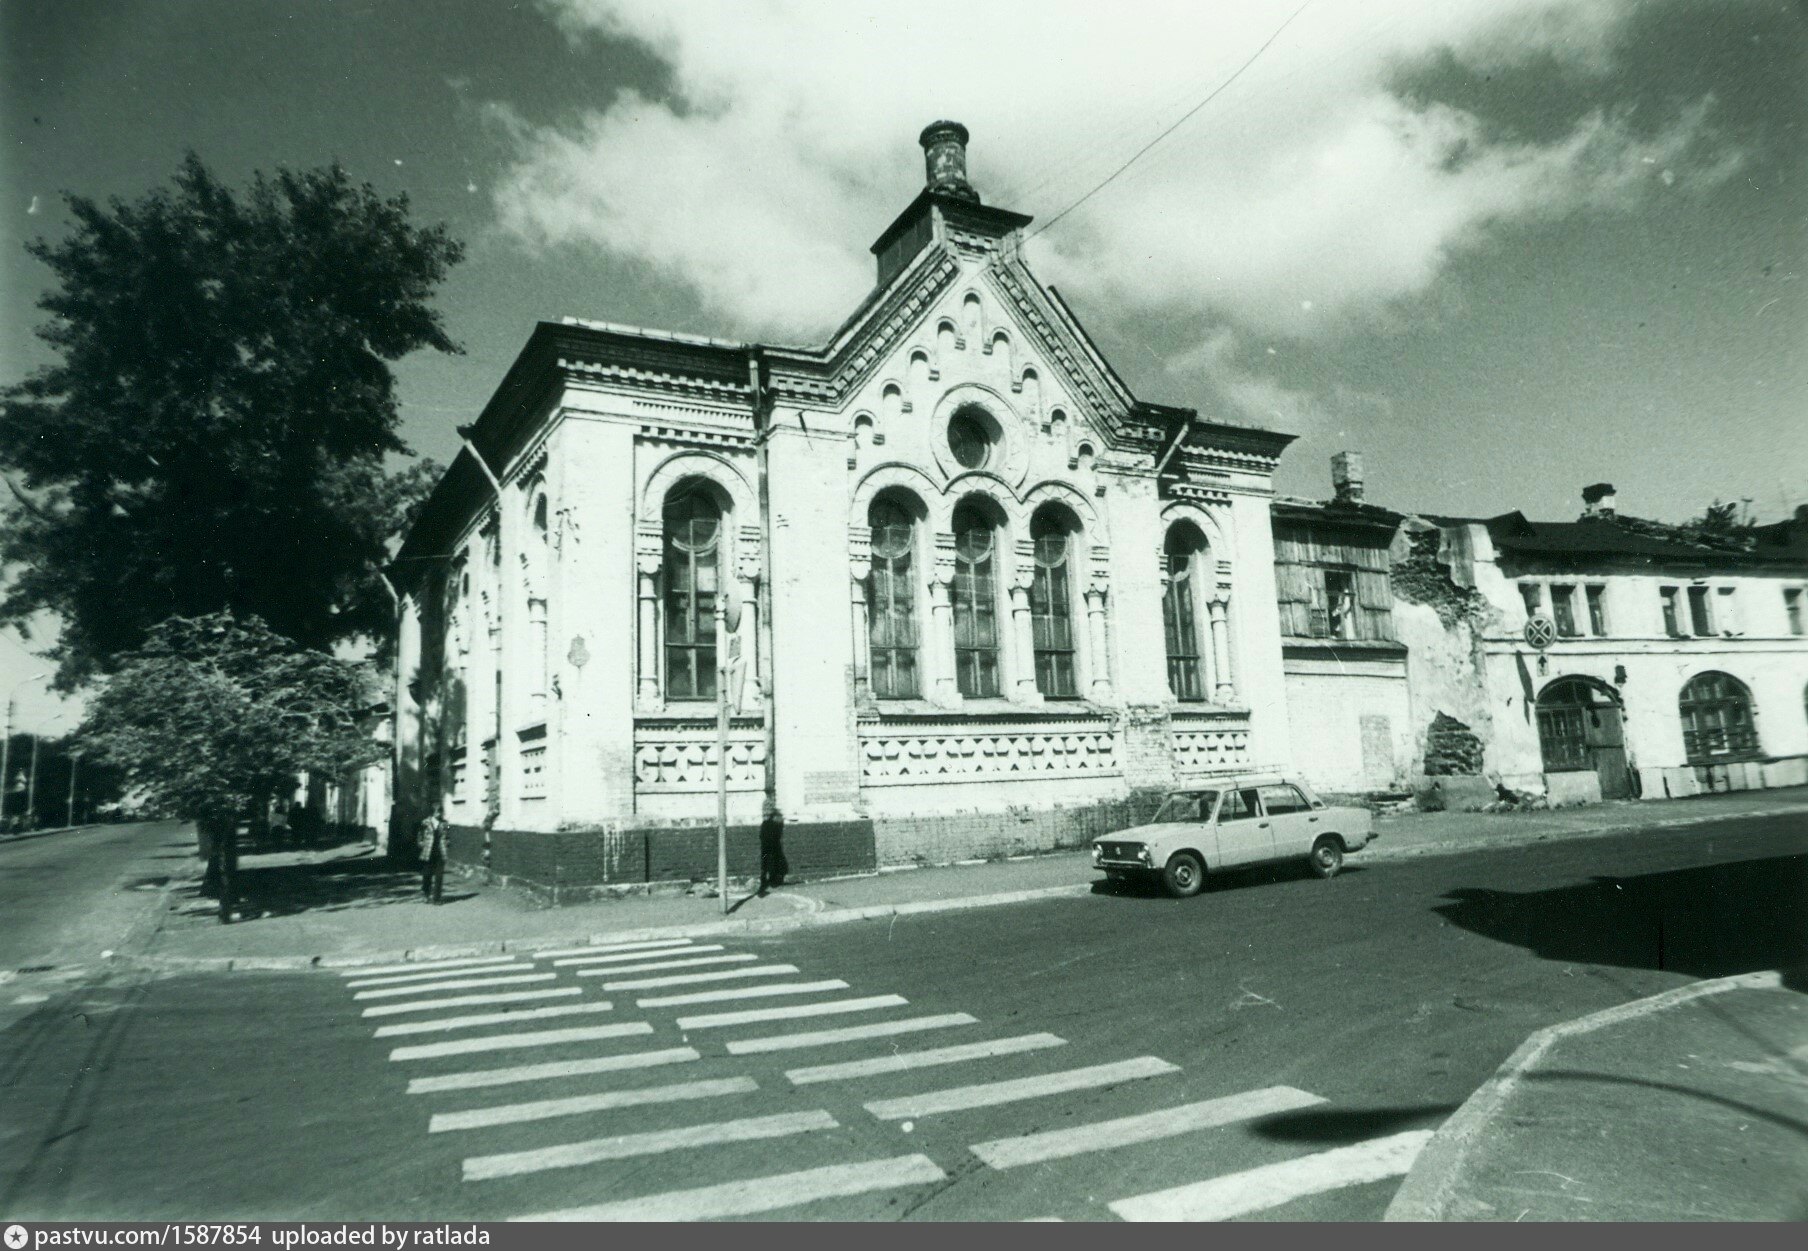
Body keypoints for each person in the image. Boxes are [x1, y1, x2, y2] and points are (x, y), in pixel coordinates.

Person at [418, 811, 446, 904]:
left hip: (440, 852)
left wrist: (447, 843)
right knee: (427, 875)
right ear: (433, 812)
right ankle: (426, 893)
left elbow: (447, 835)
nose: (439, 813)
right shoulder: (425, 822)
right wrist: (421, 843)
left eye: (440, 811)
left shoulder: (445, 823)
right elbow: (420, 834)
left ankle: (437, 898)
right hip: (428, 852)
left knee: (439, 876)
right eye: (437, 811)